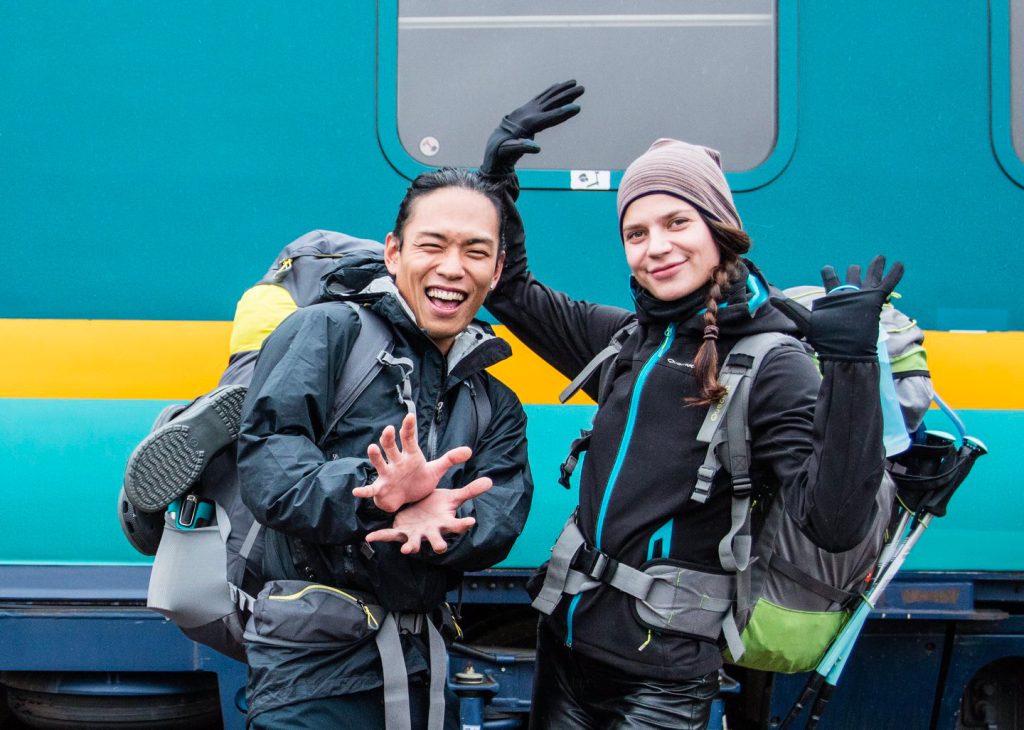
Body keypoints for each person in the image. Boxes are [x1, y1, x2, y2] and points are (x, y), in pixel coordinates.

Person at [481, 91, 902, 728]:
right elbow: (510, 293)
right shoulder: (626, 341)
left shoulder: (771, 362)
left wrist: (851, 368)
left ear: (719, 229)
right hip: (566, 649)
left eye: (678, 224)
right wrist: (495, 188)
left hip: (662, 678)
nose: (656, 247)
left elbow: (834, 521)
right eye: (636, 232)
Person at [235, 167, 533, 728]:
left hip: (426, 667)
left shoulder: (496, 400)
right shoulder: (325, 332)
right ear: (394, 252)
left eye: (475, 252)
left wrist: (443, 517)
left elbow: (502, 510)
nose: (451, 268)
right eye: (432, 245)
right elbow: (269, 468)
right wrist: (377, 495)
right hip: (311, 669)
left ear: (495, 272)